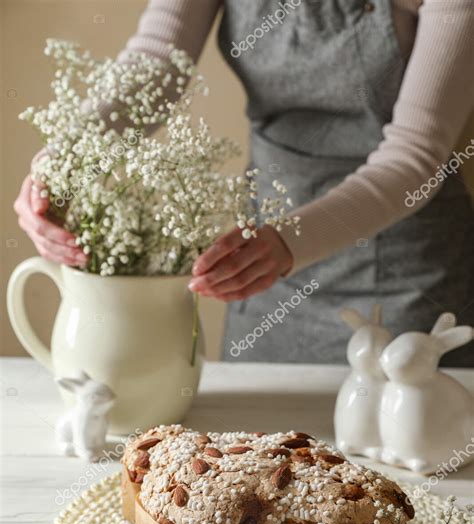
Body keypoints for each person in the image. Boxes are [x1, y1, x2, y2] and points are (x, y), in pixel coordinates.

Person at [14, 0, 474, 365]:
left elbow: (417, 152)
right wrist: (65, 162)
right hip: (264, 270)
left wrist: (290, 241)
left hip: (407, 272)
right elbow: (158, 62)